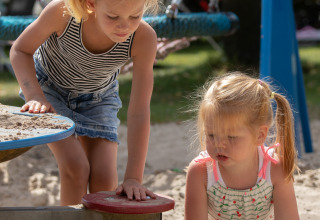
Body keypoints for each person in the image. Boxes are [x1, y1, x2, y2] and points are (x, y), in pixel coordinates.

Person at [10, 0, 159, 205]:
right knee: (76, 167)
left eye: (135, 16)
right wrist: (34, 95)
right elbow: (20, 50)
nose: (124, 26)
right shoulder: (62, 13)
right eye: (113, 17)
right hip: (48, 90)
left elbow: (139, 111)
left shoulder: (143, 37)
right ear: (91, 3)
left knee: (105, 178)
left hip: (99, 99)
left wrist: (133, 178)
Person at [185, 72, 300, 219]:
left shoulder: (275, 169)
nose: (219, 144)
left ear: (260, 136)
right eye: (211, 135)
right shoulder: (201, 173)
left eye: (231, 137)